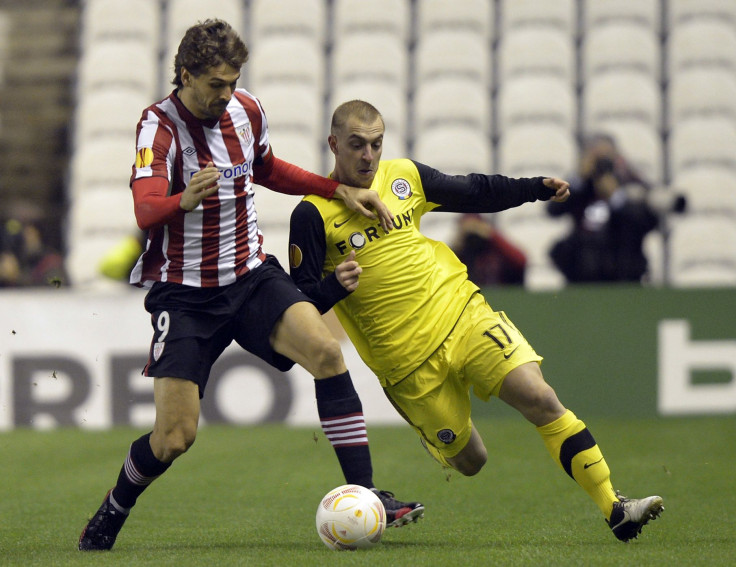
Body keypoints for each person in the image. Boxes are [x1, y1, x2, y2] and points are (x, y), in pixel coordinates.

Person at [78, 21, 422, 552]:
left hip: (250, 274)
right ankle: (114, 508)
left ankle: (366, 493)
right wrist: (182, 201)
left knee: (328, 353)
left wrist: (337, 189)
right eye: (215, 84)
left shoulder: (247, 109)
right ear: (186, 74)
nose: (225, 94)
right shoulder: (158, 128)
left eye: (232, 81)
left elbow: (267, 169)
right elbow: (146, 208)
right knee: (174, 438)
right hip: (186, 293)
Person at [288, 100, 664, 543]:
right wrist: (335, 287)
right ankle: (433, 436)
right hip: (407, 366)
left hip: (462, 315)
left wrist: (534, 187)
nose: (368, 156)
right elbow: (304, 301)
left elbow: (474, 190)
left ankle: (614, 507)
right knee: (472, 461)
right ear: (333, 144)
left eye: (375, 144)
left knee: (540, 397)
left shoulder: (404, 177)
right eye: (356, 145)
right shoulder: (311, 214)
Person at [546, 133, 661, 283]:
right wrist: (579, 180)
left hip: (623, 263)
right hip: (582, 266)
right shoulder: (580, 185)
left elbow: (649, 221)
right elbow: (552, 210)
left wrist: (616, 197)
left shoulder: (631, 181)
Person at [451, 213, 527, 285]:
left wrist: (490, 234)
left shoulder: (495, 248)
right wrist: (458, 242)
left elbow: (521, 261)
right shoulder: (460, 252)